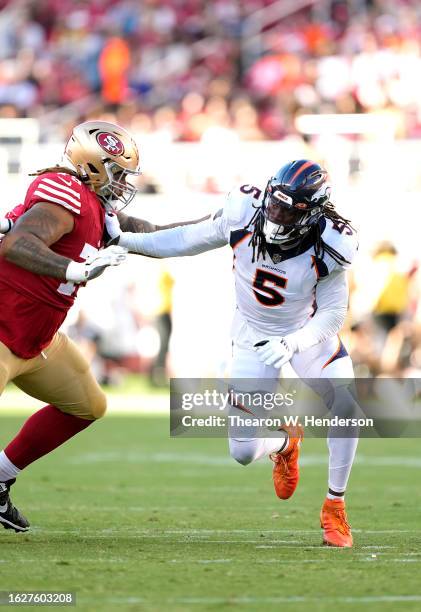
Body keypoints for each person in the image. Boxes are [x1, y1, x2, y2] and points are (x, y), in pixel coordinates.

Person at [106, 159, 360, 547]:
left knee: (346, 406)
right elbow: (186, 239)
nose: (276, 215)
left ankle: (334, 506)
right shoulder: (244, 210)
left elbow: (333, 313)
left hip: (306, 336)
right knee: (242, 451)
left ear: (312, 213)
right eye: (274, 205)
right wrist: (125, 240)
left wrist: (293, 343)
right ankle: (285, 442)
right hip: (253, 335)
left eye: (289, 210)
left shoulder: (332, 244)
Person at [0, 120, 139, 533]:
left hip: (36, 339)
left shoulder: (96, 205)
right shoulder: (64, 192)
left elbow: (146, 234)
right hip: (2, 327)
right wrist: (75, 270)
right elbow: (18, 244)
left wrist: (218, 229)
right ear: (91, 164)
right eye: (117, 172)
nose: (123, 182)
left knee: (87, 405)